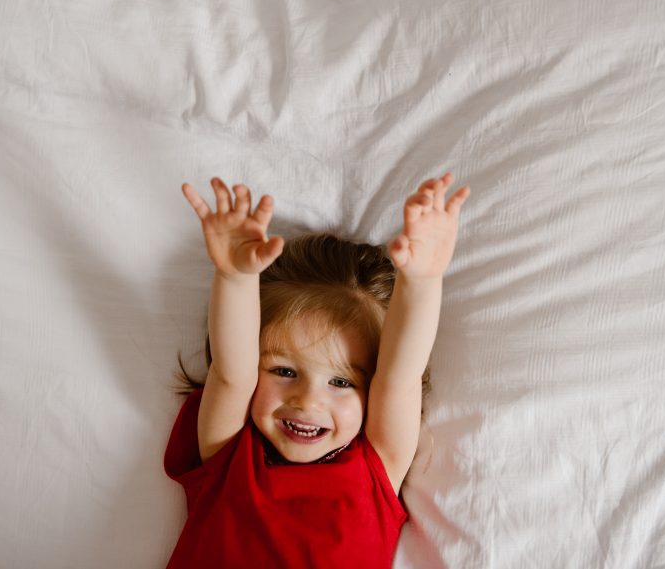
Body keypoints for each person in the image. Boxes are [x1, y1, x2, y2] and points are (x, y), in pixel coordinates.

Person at [164, 173, 470, 569]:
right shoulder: (229, 455)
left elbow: (399, 379)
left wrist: (424, 280)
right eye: (284, 371)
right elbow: (231, 372)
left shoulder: (377, 467)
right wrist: (235, 277)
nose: (307, 399)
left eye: (341, 382)